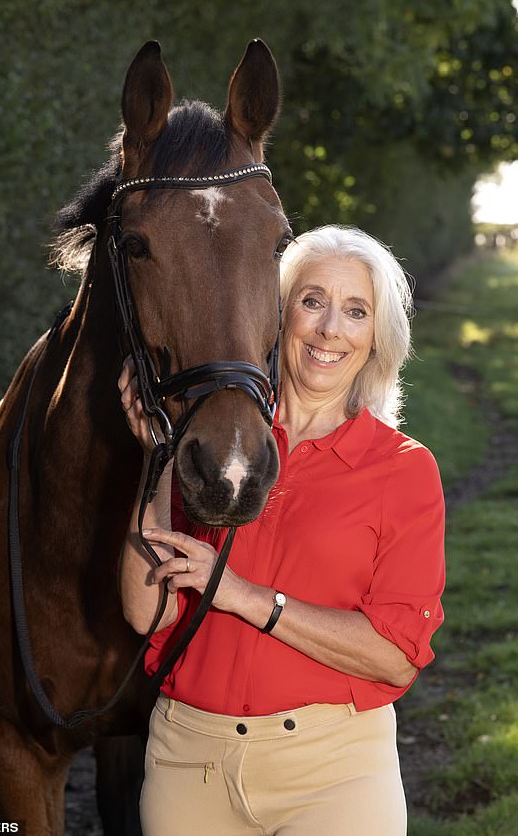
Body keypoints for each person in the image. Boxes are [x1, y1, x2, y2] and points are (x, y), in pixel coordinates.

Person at [118, 225, 445, 836]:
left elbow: (396, 656)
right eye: (312, 300)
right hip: (189, 764)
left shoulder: (402, 469)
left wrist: (240, 594)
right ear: (275, 315)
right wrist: (155, 456)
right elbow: (144, 612)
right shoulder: (214, 447)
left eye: (355, 311)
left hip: (336, 773)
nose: (329, 330)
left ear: (376, 337)